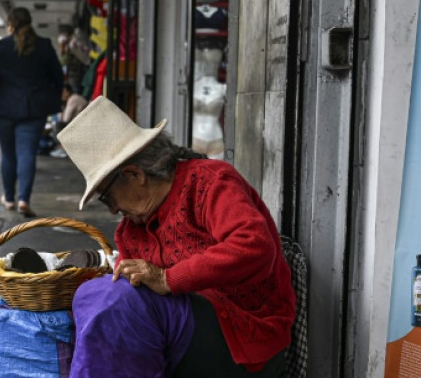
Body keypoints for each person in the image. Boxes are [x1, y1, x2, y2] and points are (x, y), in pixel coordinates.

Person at [57, 96, 296, 378]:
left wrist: (166, 279)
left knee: (123, 304)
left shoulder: (210, 182)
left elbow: (254, 246)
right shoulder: (132, 231)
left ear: (134, 174)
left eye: (107, 197)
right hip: (184, 338)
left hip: (244, 336)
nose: (113, 209)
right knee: (91, 294)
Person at [0, 8, 63, 217]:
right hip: (34, 110)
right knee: (26, 153)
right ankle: (24, 198)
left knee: (8, 155)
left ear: (10, 24)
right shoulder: (44, 46)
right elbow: (58, 78)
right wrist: (52, 97)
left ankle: (9, 198)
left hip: (4, 108)